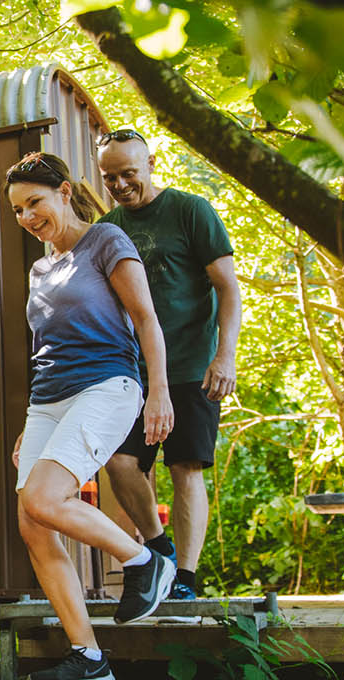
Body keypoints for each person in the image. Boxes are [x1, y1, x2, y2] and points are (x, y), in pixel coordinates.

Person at [5, 152, 176, 680]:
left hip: (108, 386)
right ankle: (89, 659)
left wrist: (159, 393)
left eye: (35, 202)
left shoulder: (106, 242)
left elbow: (147, 318)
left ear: (63, 193)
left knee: (43, 499)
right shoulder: (39, 268)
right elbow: (46, 349)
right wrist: (29, 423)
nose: (28, 217)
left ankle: (144, 560)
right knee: (33, 524)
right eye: (17, 210)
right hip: (48, 402)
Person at [94, 130, 242, 605]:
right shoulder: (111, 226)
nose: (119, 185)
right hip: (134, 374)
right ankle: (159, 551)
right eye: (109, 177)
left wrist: (226, 354)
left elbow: (228, 287)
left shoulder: (190, 211)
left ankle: (187, 577)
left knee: (185, 467)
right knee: (118, 463)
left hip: (191, 367)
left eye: (128, 174)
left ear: (151, 164)